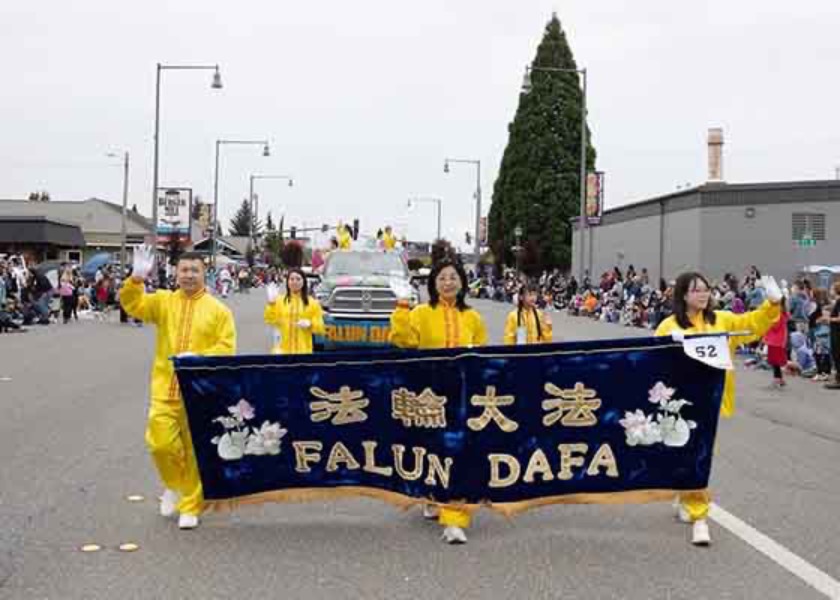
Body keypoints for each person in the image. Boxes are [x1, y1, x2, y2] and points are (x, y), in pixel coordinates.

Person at [655, 271, 782, 545]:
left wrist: (772, 304)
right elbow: (653, 362)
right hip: (680, 403)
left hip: (711, 400)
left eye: (706, 289)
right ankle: (695, 509)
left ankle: (693, 505)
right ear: (683, 295)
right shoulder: (668, 325)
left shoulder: (722, 320)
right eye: (696, 290)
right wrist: (668, 345)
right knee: (685, 452)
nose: (703, 294)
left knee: (700, 453)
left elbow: (751, 323)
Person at [120, 247, 236, 530]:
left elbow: (227, 348)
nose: (189, 275)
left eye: (194, 270)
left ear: (204, 273)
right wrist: (135, 280)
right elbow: (133, 306)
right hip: (165, 387)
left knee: (195, 451)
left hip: (199, 392)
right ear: (176, 273)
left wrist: (201, 357)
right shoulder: (164, 302)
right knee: (159, 443)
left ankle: (191, 506)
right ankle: (174, 485)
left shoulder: (219, 311)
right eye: (184, 270)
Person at [390, 256, 488, 544]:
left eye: (453, 277)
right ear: (433, 283)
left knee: (458, 451)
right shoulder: (421, 313)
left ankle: (454, 520)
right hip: (428, 395)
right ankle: (432, 496)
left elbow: (481, 354)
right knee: (431, 449)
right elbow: (402, 340)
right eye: (442, 278)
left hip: (461, 394)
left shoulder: (473, 317)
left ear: (462, 282)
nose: (448, 282)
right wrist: (401, 307)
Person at [264, 268, 325, 354]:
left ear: (303, 282)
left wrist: (310, 323)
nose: (294, 282)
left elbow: (320, 328)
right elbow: (270, 320)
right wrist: (271, 304)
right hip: (283, 351)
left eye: (298, 279)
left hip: (303, 351)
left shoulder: (312, 303)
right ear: (287, 282)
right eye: (291, 279)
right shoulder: (280, 301)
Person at [763, 298, 790, 388]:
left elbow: (775, 326)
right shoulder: (782, 312)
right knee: (776, 361)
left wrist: (768, 320)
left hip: (775, 340)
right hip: (779, 340)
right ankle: (780, 379)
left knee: (775, 361)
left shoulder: (778, 313)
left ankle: (777, 379)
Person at [824, 281, 840, 390]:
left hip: (837, 332)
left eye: (832, 288)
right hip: (835, 331)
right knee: (836, 354)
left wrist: (829, 319)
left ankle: (838, 380)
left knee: (837, 354)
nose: (830, 290)